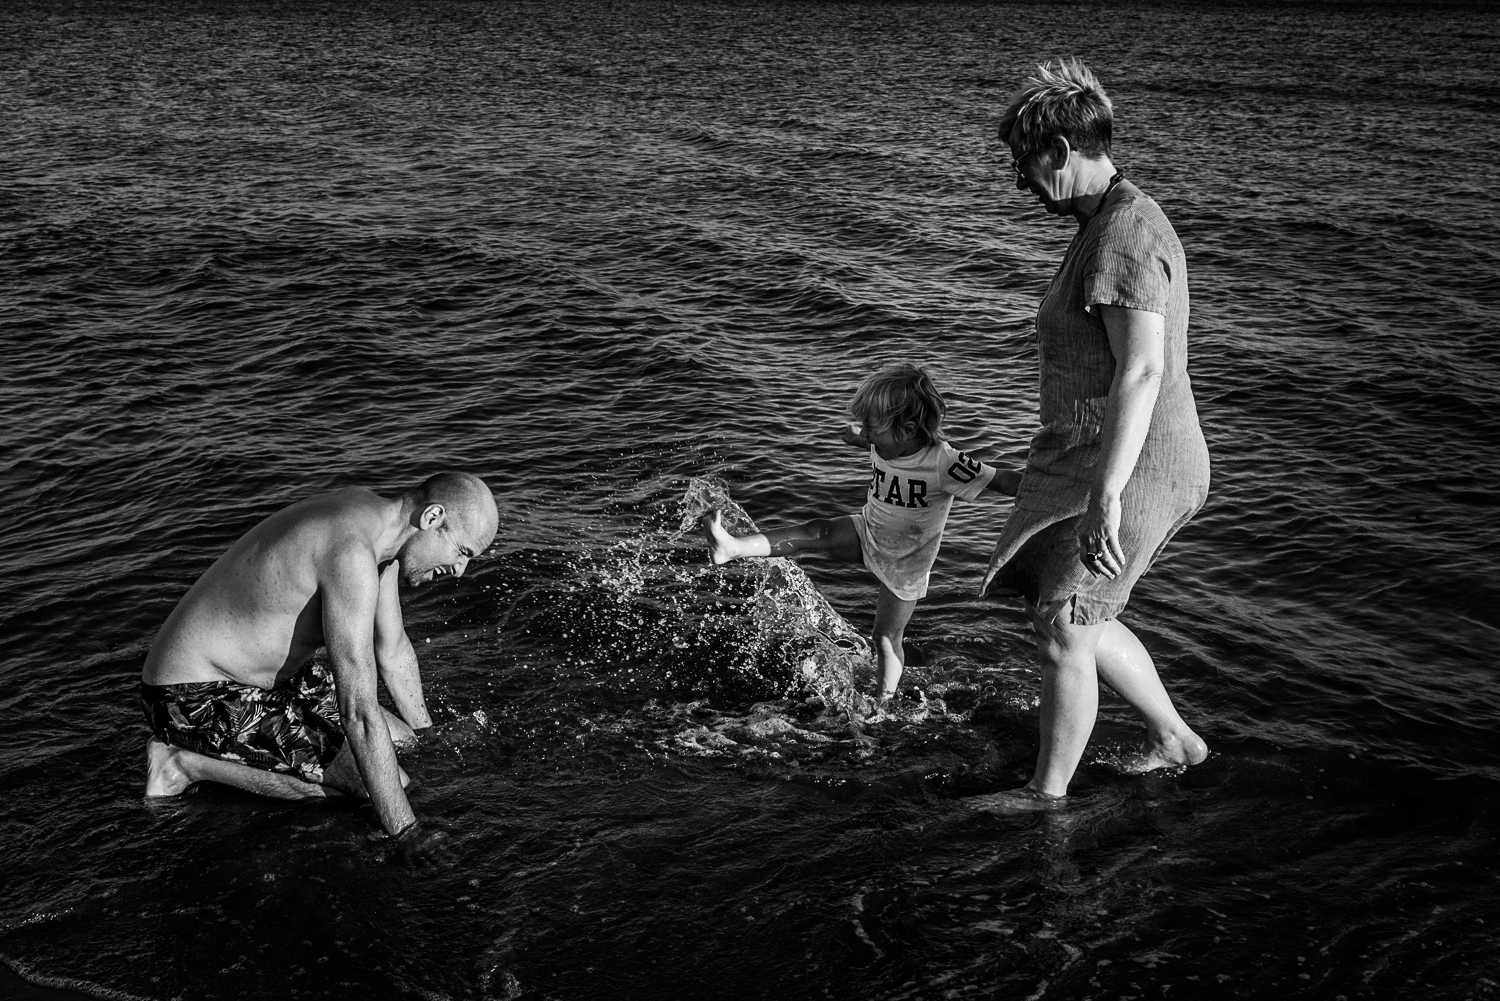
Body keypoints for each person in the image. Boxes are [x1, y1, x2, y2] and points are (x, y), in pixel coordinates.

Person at [976, 58, 1211, 809]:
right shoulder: (1107, 219)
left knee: (1065, 625)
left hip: (1136, 464)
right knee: (1067, 605)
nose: (1019, 180)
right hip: (1099, 454)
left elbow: (1140, 373)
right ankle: (1176, 739)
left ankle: (1044, 802)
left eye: (1024, 161)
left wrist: (1106, 497)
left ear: (1060, 152)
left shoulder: (1125, 234)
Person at [140, 471, 499, 855]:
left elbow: (392, 650)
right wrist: (405, 832)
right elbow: (358, 712)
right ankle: (180, 764)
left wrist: (428, 738)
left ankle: (210, 755)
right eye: (462, 553)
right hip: (192, 695)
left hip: (274, 680)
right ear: (432, 518)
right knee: (383, 785)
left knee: (403, 742)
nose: (460, 571)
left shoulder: (377, 530)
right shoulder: (351, 554)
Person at [703, 364, 1020, 705]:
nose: (866, 431)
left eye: (873, 424)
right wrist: (857, 433)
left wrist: (1053, 489)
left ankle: (882, 704)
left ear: (908, 428)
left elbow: (1000, 480)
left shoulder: (944, 462)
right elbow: (860, 435)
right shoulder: (885, 441)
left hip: (905, 564)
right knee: (817, 530)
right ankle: (733, 547)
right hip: (866, 531)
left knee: (885, 636)